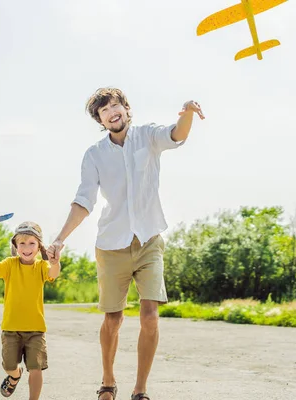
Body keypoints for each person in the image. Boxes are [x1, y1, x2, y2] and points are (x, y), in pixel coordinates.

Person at [46, 87, 204, 400]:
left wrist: (187, 113)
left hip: (149, 241)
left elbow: (176, 134)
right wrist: (60, 238)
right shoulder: (94, 155)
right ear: (100, 120)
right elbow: (83, 200)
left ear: (126, 109)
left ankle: (140, 389)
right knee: (113, 318)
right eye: (104, 110)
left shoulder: (148, 136)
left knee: (149, 316)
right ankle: (108, 381)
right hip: (111, 245)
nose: (112, 112)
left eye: (116, 105)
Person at [0, 221, 61, 400]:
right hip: (11, 328)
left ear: (39, 246)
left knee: (36, 368)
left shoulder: (42, 266)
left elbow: (53, 274)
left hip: (36, 329)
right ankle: (15, 375)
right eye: (22, 243)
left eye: (32, 243)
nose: (27, 248)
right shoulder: (10, 265)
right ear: (15, 246)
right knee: (9, 365)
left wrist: (55, 262)